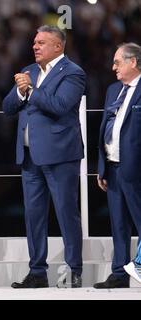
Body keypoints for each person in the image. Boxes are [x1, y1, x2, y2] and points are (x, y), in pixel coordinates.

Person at [2, 25, 86, 288]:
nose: (35, 46)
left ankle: (74, 269)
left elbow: (61, 106)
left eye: (41, 43)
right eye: (34, 42)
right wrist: (19, 91)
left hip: (60, 155)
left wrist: (31, 91)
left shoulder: (73, 73)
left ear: (58, 47)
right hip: (29, 156)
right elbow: (7, 107)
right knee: (33, 215)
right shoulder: (30, 71)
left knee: (66, 212)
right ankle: (37, 271)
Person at [94, 43, 141, 288]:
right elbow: (104, 129)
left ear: (133, 62)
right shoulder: (113, 90)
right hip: (113, 167)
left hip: (136, 168)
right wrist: (101, 166)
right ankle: (119, 274)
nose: (113, 67)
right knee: (118, 223)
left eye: (118, 62)